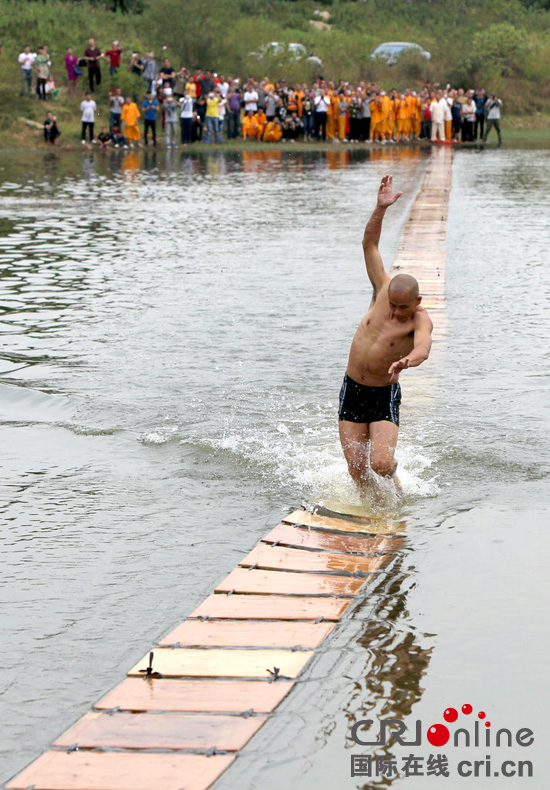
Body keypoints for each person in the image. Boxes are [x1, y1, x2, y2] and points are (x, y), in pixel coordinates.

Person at [338, 175, 433, 496]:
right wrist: (380, 209)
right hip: (352, 388)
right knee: (355, 468)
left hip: (382, 395)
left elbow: (424, 348)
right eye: (392, 305)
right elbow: (370, 245)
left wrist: (408, 360)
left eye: (402, 308)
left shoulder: (419, 319)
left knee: (379, 463)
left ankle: (395, 482)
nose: (394, 312)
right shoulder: (382, 290)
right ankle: (372, 508)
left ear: (416, 302)